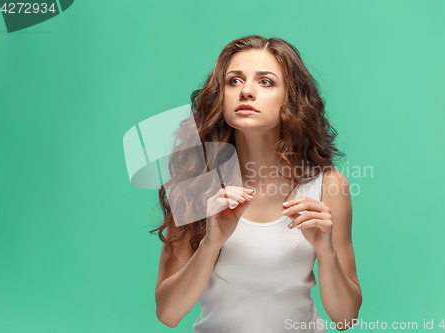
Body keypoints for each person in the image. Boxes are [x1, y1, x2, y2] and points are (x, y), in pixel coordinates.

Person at [152, 35, 362, 332]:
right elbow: (168, 313)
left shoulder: (328, 186)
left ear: (290, 98)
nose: (246, 91)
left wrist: (326, 252)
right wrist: (211, 244)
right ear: (220, 95)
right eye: (234, 81)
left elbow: (346, 317)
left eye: (266, 82)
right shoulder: (195, 184)